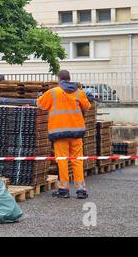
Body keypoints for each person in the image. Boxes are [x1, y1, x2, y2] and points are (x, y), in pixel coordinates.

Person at [37, 70, 91, 199]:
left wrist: (39, 96)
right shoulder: (79, 92)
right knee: (77, 161)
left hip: (59, 133)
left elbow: (40, 104)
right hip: (76, 132)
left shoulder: (53, 92)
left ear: (59, 79)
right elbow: (87, 107)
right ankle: (81, 190)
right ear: (70, 78)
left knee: (62, 161)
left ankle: (63, 189)